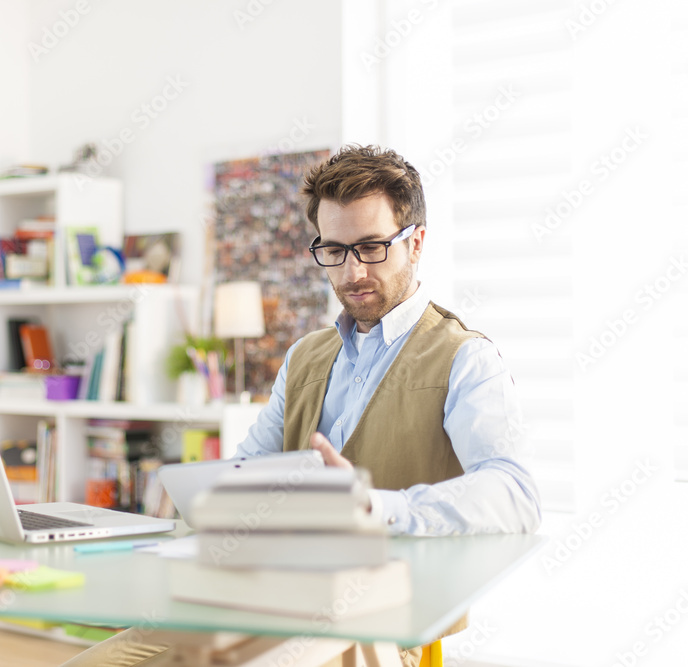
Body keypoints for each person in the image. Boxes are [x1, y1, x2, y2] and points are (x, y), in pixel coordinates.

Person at [63, 144, 542, 667]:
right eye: (334, 250)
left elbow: (515, 494)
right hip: (258, 602)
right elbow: (244, 474)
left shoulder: (465, 359)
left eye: (372, 247)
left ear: (417, 242)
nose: (352, 270)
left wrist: (375, 508)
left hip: (378, 627)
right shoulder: (305, 357)